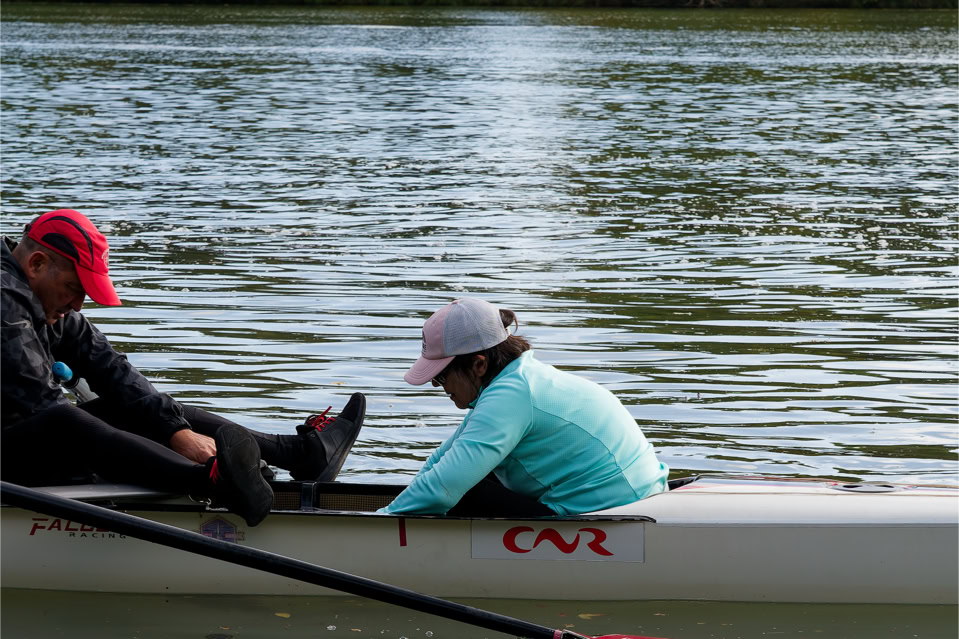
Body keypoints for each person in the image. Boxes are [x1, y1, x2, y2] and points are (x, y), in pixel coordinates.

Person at [1, 209, 365, 527]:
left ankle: (298, 454)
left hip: (21, 445)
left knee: (128, 406)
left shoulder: (39, 295)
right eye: (73, 288)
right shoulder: (4, 302)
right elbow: (45, 412)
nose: (79, 305)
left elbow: (111, 368)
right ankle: (213, 483)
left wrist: (177, 431)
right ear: (37, 265)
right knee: (62, 420)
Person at [378, 297, 669, 517]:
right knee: (462, 474)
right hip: (643, 494)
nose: (436, 385)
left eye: (441, 376)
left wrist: (380, 523)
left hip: (617, 513)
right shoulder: (516, 381)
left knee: (464, 491)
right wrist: (391, 508)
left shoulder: (510, 397)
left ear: (479, 364)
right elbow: (441, 461)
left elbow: (443, 489)